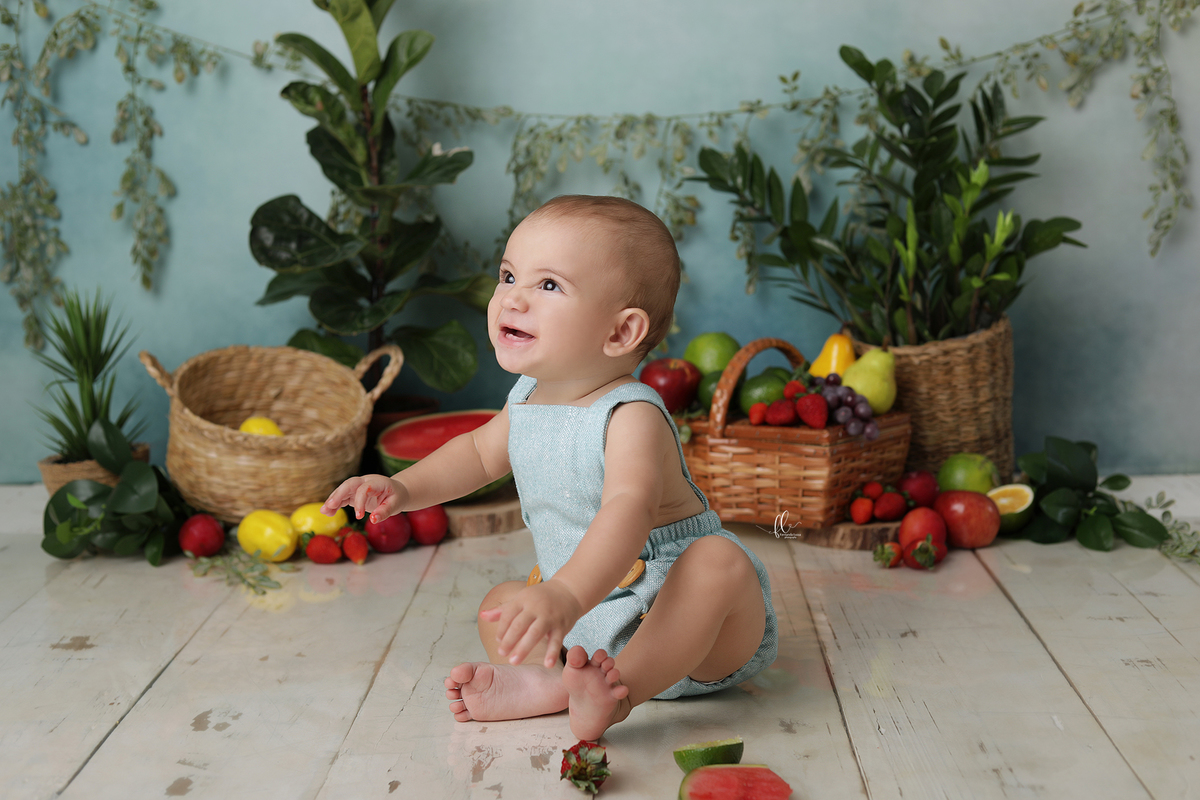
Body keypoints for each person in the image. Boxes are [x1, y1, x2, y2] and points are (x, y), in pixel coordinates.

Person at [320, 195, 777, 741]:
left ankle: (618, 695)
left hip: (686, 629)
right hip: (581, 623)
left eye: (548, 286)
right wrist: (401, 485)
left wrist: (565, 594)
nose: (512, 299)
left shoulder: (631, 414)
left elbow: (627, 511)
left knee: (721, 562)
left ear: (620, 333)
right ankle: (554, 683)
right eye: (508, 275)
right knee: (499, 606)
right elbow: (475, 454)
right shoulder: (528, 397)